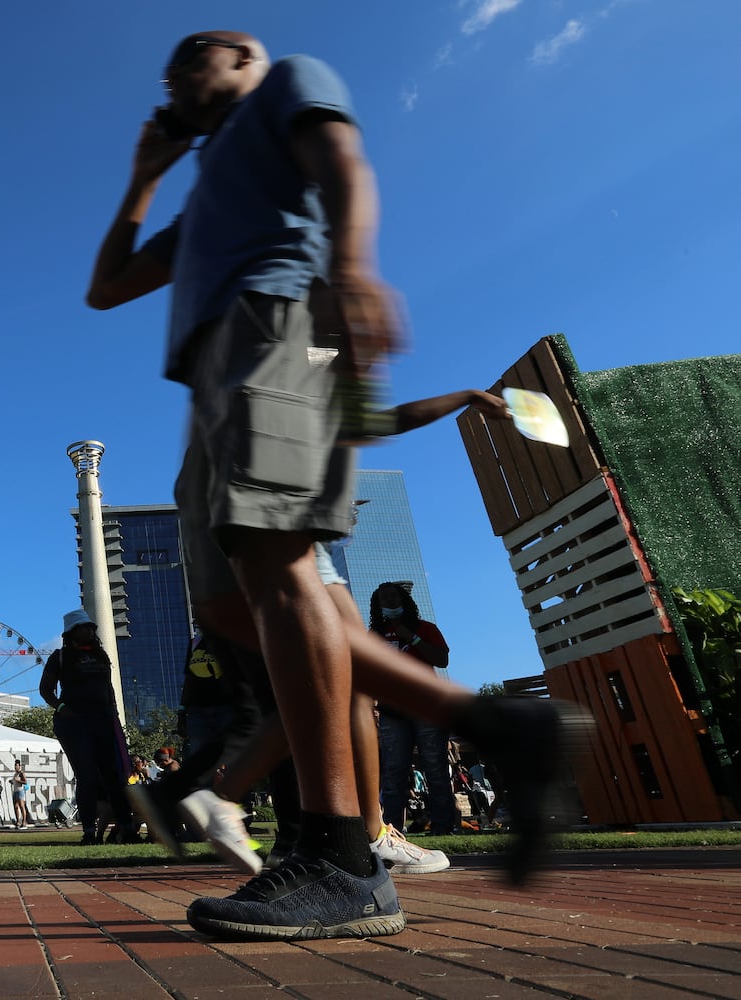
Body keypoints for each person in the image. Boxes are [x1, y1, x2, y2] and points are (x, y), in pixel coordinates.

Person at [87, 32, 587, 939]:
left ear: (238, 53)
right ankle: (500, 728)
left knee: (284, 580)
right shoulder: (200, 200)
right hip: (210, 384)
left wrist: (353, 265)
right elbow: (108, 285)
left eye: (186, 66)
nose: (172, 87)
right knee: (230, 611)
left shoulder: (285, 84)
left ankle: (340, 856)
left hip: (276, 330)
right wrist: (145, 174)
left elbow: (342, 160)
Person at [39, 609, 137, 846]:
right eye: (83, 628)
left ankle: (127, 828)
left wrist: (114, 714)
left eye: (91, 627)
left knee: (114, 776)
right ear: (72, 633)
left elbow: (108, 689)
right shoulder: (60, 656)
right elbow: (45, 689)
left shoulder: (102, 655)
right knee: (87, 775)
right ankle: (89, 832)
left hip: (103, 720)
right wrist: (62, 708)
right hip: (74, 723)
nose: (89, 631)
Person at [371, 583, 458, 836]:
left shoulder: (425, 628)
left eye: (393, 595)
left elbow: (442, 659)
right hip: (392, 710)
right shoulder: (375, 634)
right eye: (383, 598)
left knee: (435, 768)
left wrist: (412, 637)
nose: (388, 600)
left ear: (404, 600)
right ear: (377, 606)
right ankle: (392, 830)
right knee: (394, 771)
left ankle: (443, 827)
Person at [11, 760, 31, 829]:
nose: (15, 767)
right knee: (16, 807)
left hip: (20, 791)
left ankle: (24, 822)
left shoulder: (21, 773)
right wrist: (12, 781)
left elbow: (25, 782)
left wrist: (18, 780)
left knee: (22, 806)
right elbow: (15, 781)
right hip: (15, 791)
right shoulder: (15, 774)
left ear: (19, 766)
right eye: (15, 765)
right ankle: (18, 822)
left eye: (16, 765)